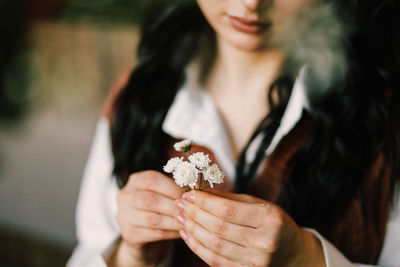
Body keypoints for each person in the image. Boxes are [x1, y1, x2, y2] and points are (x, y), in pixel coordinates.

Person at [67, 0, 400, 266]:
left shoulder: (382, 121)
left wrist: (306, 259)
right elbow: (89, 248)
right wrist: (129, 258)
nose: (251, 3)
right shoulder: (138, 99)